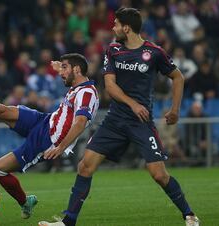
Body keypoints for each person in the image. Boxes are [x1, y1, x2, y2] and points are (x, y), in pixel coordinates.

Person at [38, 8, 199, 226]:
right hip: (115, 120)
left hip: (140, 122)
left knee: (159, 175)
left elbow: (177, 77)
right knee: (85, 166)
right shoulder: (113, 50)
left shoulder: (154, 52)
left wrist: (175, 110)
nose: (112, 28)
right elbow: (110, 87)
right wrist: (133, 104)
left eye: (115, 24)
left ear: (127, 28)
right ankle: (68, 222)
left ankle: (189, 215)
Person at [0, 53, 99, 219]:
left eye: (65, 68)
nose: (61, 72)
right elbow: (70, 82)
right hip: (45, 120)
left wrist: (61, 147)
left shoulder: (87, 93)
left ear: (77, 70)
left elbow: (80, 122)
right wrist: (60, 68)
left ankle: (24, 202)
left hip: (47, 141)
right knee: (2, 110)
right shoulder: (78, 85)